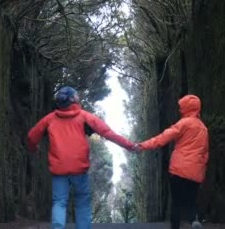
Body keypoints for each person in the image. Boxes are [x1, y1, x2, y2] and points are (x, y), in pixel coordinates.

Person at [27, 86, 136, 229]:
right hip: (79, 168)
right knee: (82, 202)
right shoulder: (84, 116)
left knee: (59, 202)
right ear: (73, 99)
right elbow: (108, 133)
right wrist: (130, 146)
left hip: (59, 169)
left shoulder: (49, 119)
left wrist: (33, 148)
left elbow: (31, 137)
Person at [134, 94, 209, 229]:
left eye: (181, 107)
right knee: (191, 202)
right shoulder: (203, 128)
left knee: (176, 203)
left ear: (186, 108)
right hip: (195, 172)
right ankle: (194, 220)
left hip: (179, 171)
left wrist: (143, 145)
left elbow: (163, 138)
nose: (180, 110)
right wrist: (201, 171)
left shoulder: (183, 124)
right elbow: (205, 153)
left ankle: (175, 227)